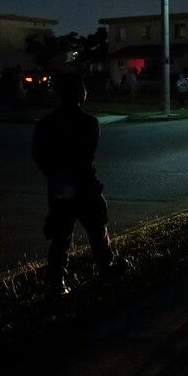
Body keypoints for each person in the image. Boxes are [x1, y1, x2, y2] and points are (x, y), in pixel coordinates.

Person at [32, 72, 126, 296]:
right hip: (84, 184)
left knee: (61, 235)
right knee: (97, 228)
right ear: (78, 94)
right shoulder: (89, 123)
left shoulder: (45, 123)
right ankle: (106, 269)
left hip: (61, 186)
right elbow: (87, 156)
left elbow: (38, 154)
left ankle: (55, 281)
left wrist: (54, 175)